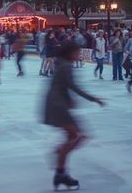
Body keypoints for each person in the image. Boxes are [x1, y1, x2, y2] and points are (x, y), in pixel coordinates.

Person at [43, 41, 105, 191]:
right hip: (58, 106)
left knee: (75, 136)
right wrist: (94, 99)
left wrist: (69, 99)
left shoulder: (61, 64)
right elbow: (74, 86)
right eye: (77, 52)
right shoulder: (66, 66)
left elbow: (62, 85)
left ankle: (60, 171)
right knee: (78, 136)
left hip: (55, 104)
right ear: (70, 53)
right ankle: (60, 157)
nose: (79, 55)